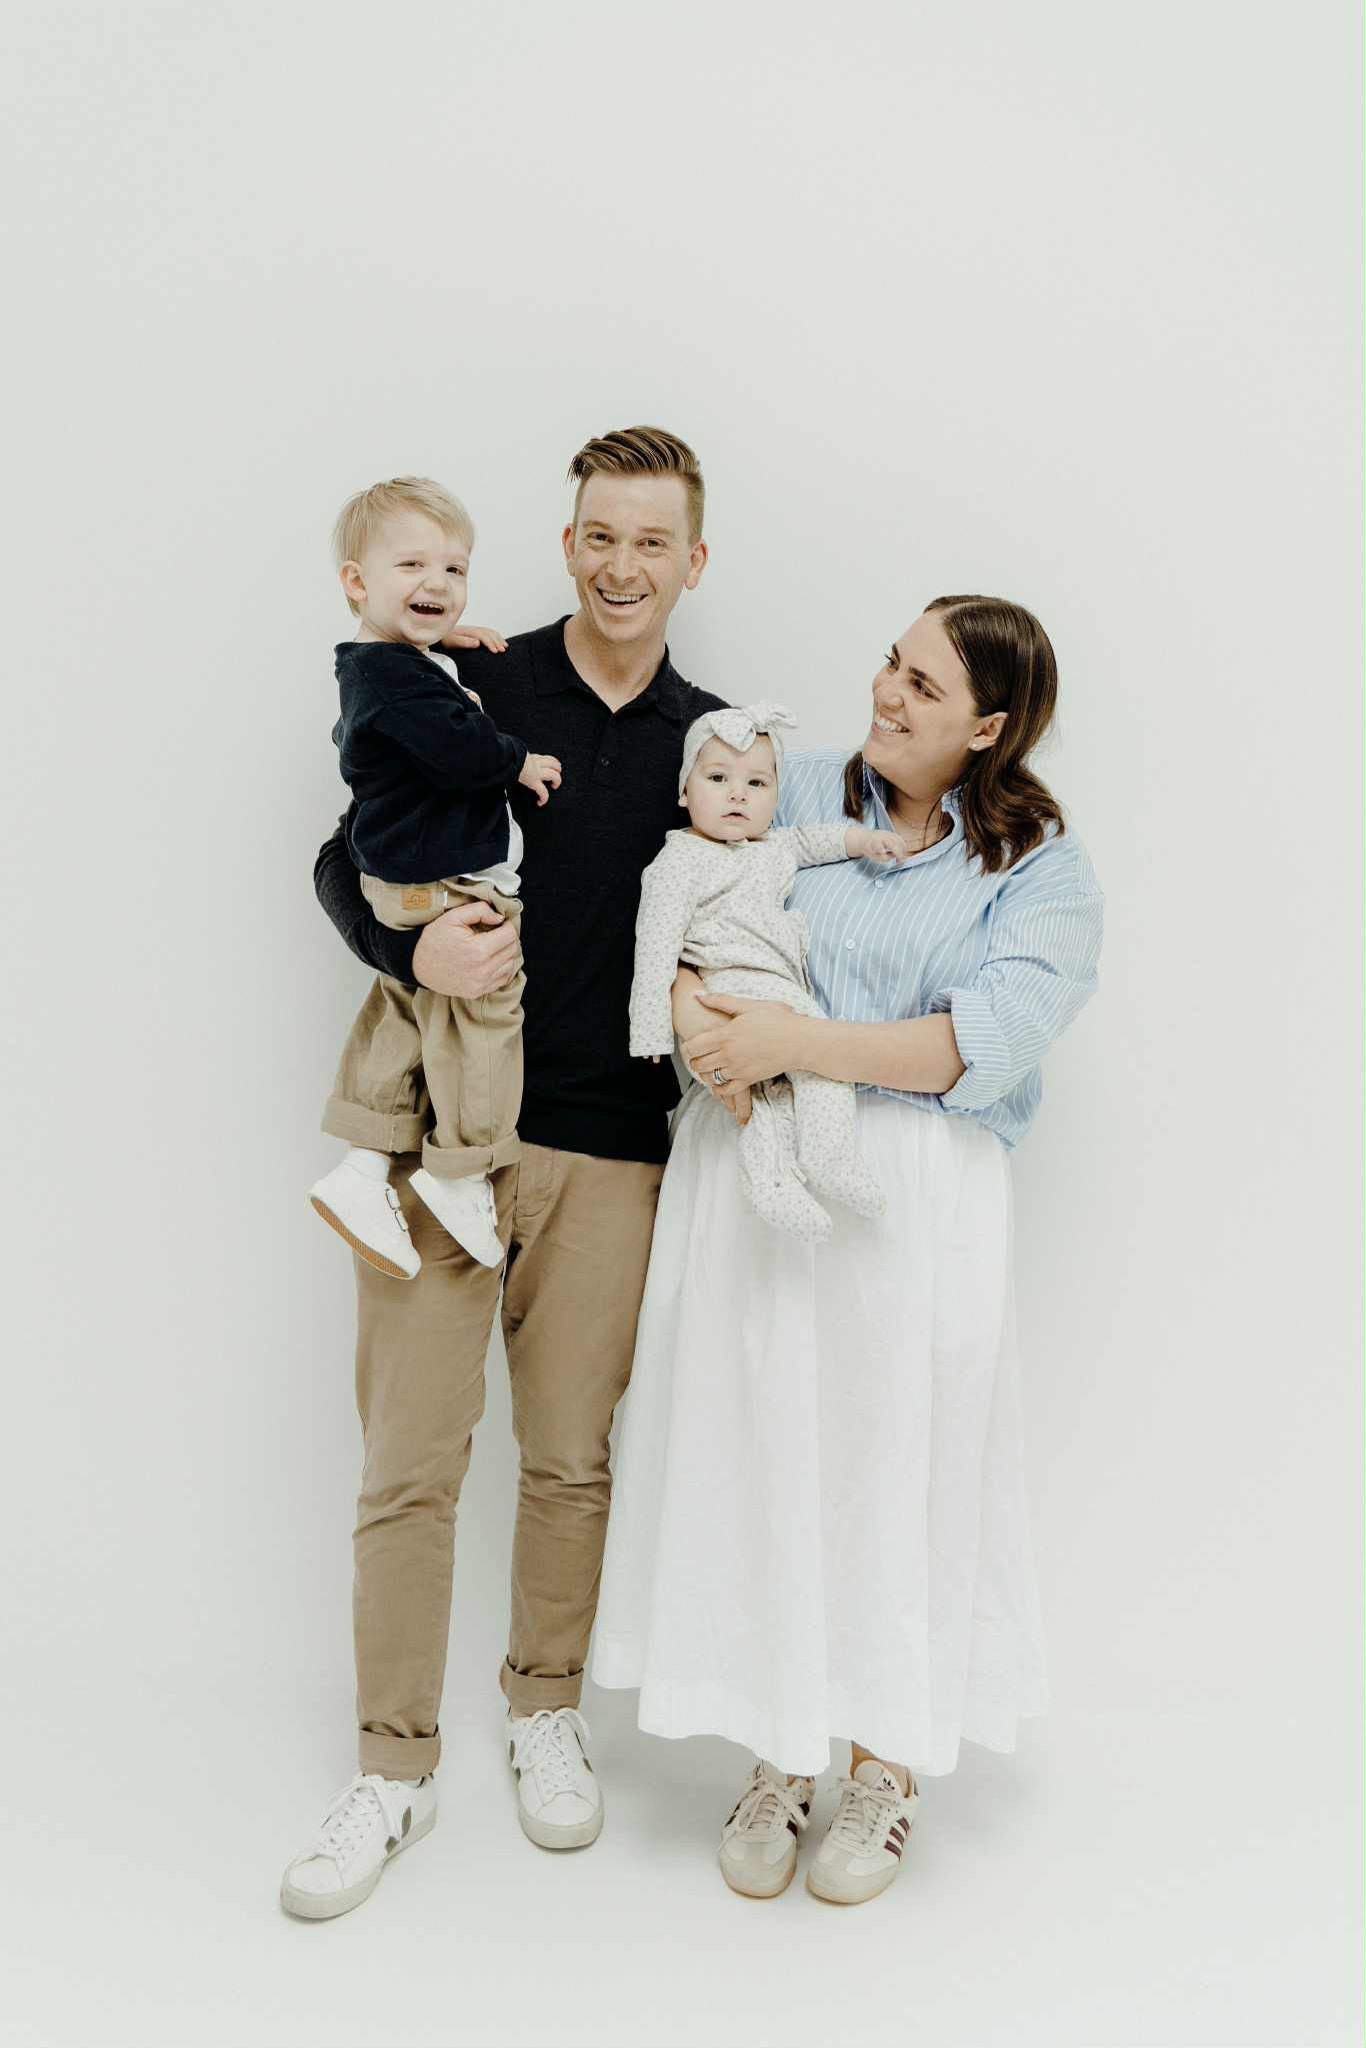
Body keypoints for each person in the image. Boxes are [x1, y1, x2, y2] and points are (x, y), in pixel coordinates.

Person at [593, 594, 1104, 1907]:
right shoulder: (798, 784)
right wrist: (695, 1014)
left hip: (917, 1201)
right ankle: (781, 1750)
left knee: (899, 1466)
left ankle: (883, 1765)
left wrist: (793, 1041)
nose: (887, 693)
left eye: (924, 687)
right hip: (754, 1167)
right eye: (891, 661)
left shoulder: (1038, 869)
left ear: (987, 727)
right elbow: (679, 896)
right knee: (769, 1451)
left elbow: (979, 1043)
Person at [280, 426, 726, 1921]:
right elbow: (344, 854)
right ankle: (391, 1767)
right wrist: (407, 951)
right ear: (568, 541)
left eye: (650, 540)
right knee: (408, 1466)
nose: (621, 564)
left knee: (570, 1463)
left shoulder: (712, 743)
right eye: (599, 534)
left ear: (692, 560)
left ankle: (546, 1710)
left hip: (613, 1154)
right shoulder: (473, 679)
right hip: (437, 1150)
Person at [308, 474, 562, 1277]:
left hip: (404, 878)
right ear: (356, 582)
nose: (439, 584)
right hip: (441, 881)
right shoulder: (394, 678)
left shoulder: (389, 666)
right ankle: (464, 1169)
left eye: (455, 569)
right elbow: (453, 746)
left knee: (410, 1011)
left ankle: (363, 1163)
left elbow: (417, 709)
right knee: (484, 1007)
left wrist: (437, 650)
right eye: (413, 565)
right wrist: (517, 761)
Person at [629, 700, 906, 1239]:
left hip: (781, 992)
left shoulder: (772, 847)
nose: (737, 794)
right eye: (718, 778)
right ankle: (787, 1174)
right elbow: (655, 947)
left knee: (807, 1070)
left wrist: (864, 842)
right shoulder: (677, 861)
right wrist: (650, 1030)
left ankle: (814, 1166)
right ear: (684, 791)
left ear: (776, 798)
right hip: (726, 985)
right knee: (779, 1081)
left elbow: (813, 841)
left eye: (757, 783)